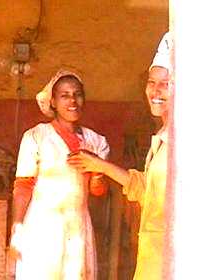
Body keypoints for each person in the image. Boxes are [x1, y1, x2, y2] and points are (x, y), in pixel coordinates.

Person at [68, 32, 171, 280]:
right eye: (151, 82)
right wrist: (100, 166)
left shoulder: (185, 142)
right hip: (152, 255)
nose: (155, 90)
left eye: (166, 83)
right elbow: (147, 189)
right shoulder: (162, 137)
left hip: (172, 255)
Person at [10, 69, 110, 279]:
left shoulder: (96, 142)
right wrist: (17, 228)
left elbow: (98, 191)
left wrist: (97, 170)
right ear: (53, 102)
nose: (72, 100)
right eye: (64, 95)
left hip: (78, 226)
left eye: (77, 94)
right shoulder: (36, 137)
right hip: (42, 225)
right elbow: (23, 187)